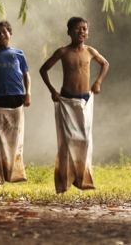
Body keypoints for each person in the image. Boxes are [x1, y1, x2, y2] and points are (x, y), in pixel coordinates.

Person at [39, 16, 109, 193]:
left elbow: (105, 64)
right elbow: (43, 69)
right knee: (68, 141)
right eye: (77, 29)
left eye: (84, 29)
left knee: (85, 140)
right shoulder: (63, 52)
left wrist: (98, 82)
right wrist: (52, 91)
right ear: (69, 32)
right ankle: (64, 180)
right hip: (67, 100)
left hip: (85, 100)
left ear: (88, 32)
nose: (81, 32)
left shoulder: (90, 51)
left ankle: (82, 178)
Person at [0, 20, 30, 184]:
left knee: (16, 138)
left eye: (4, 32)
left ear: (10, 33)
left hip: (17, 97)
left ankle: (15, 172)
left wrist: (28, 93)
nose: (1, 35)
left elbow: (26, 75)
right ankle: (1, 173)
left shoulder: (19, 54)